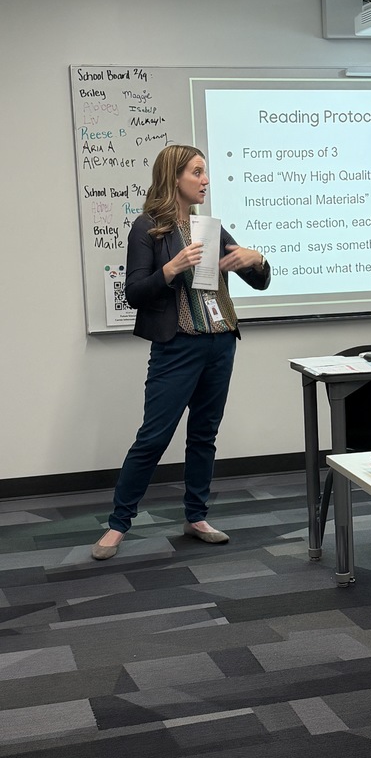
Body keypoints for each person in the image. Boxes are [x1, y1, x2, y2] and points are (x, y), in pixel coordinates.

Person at [92, 144, 271, 561]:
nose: (205, 179)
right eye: (197, 172)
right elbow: (134, 292)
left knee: (204, 435)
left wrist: (257, 258)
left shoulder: (210, 228)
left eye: (205, 172)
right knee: (153, 437)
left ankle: (196, 516)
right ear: (174, 177)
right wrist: (171, 268)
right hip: (177, 347)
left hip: (220, 341)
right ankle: (118, 524)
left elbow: (257, 281)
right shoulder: (147, 227)